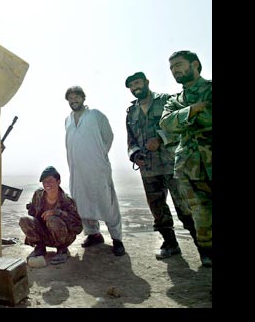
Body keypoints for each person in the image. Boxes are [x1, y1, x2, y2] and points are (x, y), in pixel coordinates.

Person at [125, 71, 199, 259]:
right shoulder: (131, 112)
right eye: (132, 86)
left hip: (172, 164)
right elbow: (131, 140)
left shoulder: (167, 101)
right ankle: (170, 244)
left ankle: (203, 247)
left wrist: (161, 138)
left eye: (137, 83)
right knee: (158, 209)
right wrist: (135, 155)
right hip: (148, 168)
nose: (136, 87)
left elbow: (184, 125)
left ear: (146, 82)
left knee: (185, 207)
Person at [159, 51, 212, 267]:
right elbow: (166, 124)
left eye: (179, 65)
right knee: (201, 217)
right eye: (171, 68)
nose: (175, 70)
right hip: (189, 167)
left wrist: (184, 118)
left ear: (195, 65)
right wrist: (193, 110)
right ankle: (207, 256)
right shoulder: (175, 100)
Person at [64, 85, 125, 256]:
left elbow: (108, 136)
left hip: (97, 168)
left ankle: (117, 239)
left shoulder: (95, 115)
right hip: (77, 170)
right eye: (70, 97)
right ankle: (94, 234)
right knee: (82, 203)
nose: (73, 100)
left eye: (76, 97)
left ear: (83, 98)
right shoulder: (67, 120)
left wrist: (100, 155)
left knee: (107, 203)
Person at [19, 166, 83, 265]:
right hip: (44, 234)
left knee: (52, 219)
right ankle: (40, 247)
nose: (47, 184)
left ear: (58, 181)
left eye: (50, 181)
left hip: (64, 237)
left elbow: (78, 227)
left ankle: (62, 250)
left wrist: (57, 213)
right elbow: (32, 213)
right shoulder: (38, 195)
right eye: (44, 182)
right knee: (24, 220)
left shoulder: (67, 201)